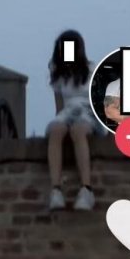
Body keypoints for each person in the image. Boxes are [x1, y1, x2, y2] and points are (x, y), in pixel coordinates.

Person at [46, 30, 97, 211]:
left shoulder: (92, 70)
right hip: (68, 112)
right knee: (55, 130)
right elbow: (59, 106)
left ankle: (86, 189)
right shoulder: (58, 74)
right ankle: (56, 190)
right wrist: (60, 123)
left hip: (88, 111)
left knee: (78, 131)